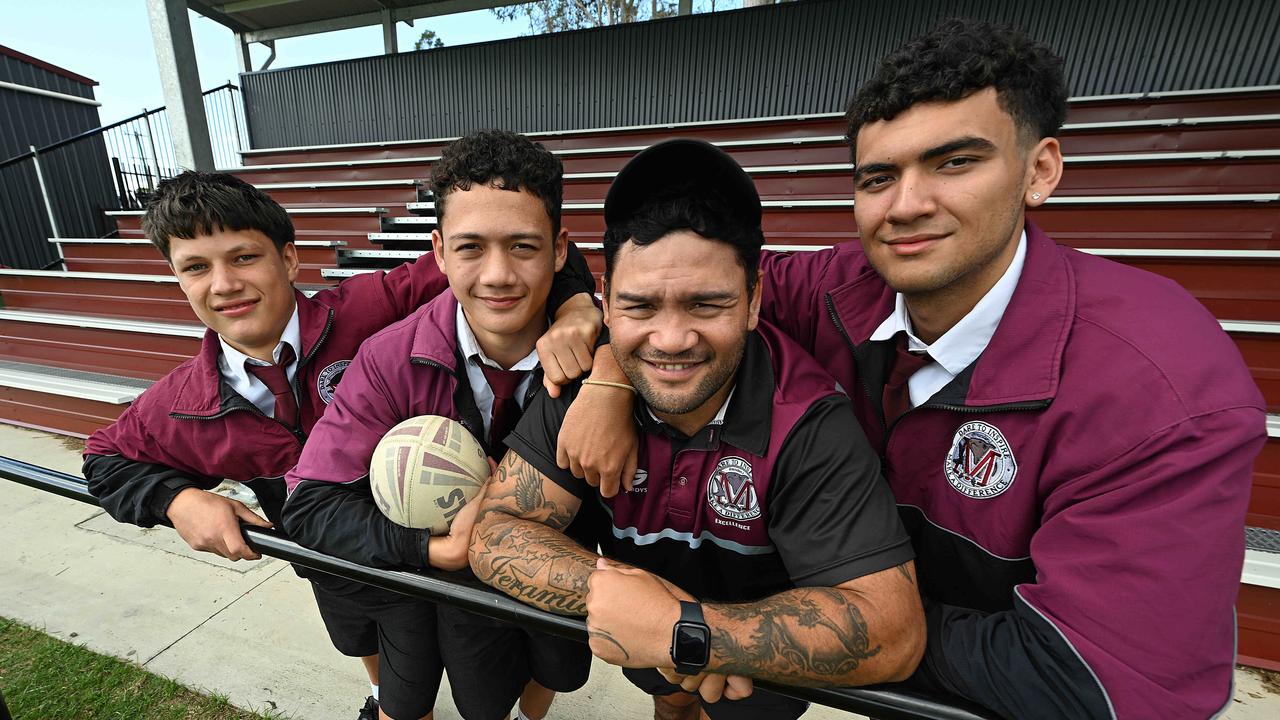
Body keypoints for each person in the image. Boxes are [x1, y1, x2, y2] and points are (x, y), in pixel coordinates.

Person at [558, 19, 1268, 720]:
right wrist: (604, 366)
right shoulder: (836, 290)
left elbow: (1102, 682)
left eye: (955, 162)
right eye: (879, 176)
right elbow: (673, 289)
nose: (906, 205)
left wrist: (743, 636)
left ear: (1039, 170)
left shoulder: (1163, 384)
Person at [82, 170, 601, 720]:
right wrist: (178, 501)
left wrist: (576, 308)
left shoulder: (369, 307)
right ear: (176, 277)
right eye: (196, 268)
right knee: (363, 646)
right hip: (324, 556)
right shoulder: (182, 399)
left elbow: (509, 251)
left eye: (242, 258)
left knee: (438, 664)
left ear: (287, 259)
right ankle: (382, 697)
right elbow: (104, 460)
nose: (224, 284)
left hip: (421, 542)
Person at [468, 139, 926, 720]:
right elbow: (496, 532)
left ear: (754, 298)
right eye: (640, 307)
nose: (671, 339)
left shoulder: (809, 422)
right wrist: (639, 610)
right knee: (671, 706)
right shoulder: (585, 386)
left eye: (706, 305)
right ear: (606, 304)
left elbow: (892, 631)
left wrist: (687, 629)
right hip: (645, 640)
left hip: (755, 676)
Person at [282, 130, 601, 720]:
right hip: (449, 577)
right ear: (438, 250)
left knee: (557, 669)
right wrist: (431, 549)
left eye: (523, 247)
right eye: (471, 247)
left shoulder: (606, 365)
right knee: (477, 694)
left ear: (560, 252)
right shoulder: (388, 358)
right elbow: (310, 505)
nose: (498, 274)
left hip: (559, 564)